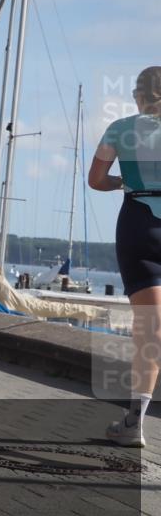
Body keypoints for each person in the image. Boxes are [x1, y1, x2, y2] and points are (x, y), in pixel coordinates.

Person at [90, 65, 161, 448]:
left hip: (139, 225)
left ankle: (135, 422)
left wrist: (124, 181)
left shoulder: (120, 129)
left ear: (139, 96)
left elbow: (96, 180)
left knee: (150, 331)